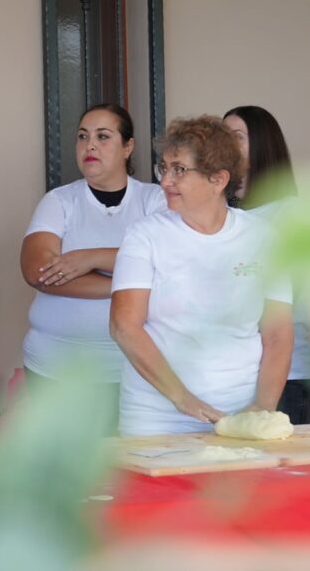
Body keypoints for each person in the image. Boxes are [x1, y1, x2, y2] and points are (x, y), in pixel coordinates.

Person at [110, 115, 294, 435]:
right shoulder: (144, 236)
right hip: (156, 418)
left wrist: (261, 408)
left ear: (218, 180)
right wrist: (183, 399)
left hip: (239, 415)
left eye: (179, 170)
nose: (166, 180)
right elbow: (124, 326)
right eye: (163, 168)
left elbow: (278, 333)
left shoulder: (264, 237)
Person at [19, 104, 165, 432]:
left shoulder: (154, 200)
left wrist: (89, 258)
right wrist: (133, 283)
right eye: (82, 137)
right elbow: (37, 271)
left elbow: (171, 261)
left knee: (127, 475)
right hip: (55, 370)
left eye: (103, 136)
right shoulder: (59, 201)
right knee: (68, 477)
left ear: (128, 147)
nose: (90, 146)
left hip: (134, 370)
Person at [223, 105, 310, 424]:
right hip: (232, 377)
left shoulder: (289, 214)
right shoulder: (226, 215)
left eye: (237, 137)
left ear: (263, 144)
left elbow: (287, 291)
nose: (226, 146)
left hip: (283, 375)